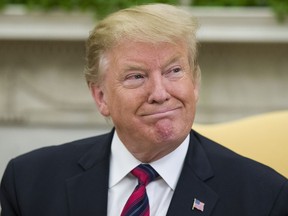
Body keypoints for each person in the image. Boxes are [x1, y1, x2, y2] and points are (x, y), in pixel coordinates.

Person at [0, 3, 287, 216]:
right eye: (136, 76)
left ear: (195, 83)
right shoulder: (29, 183)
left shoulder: (264, 198)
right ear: (101, 96)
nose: (160, 94)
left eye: (174, 71)